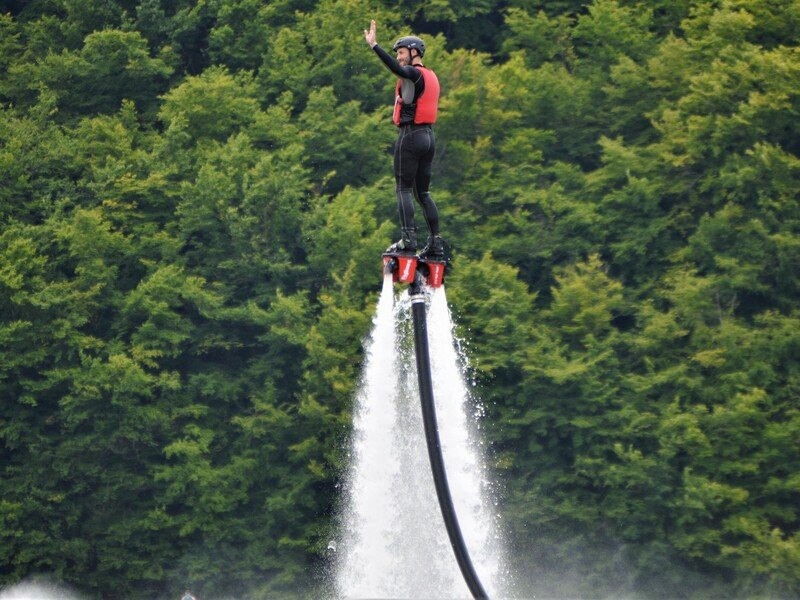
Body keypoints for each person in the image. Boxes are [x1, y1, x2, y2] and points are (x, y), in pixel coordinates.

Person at [364, 20, 445, 260]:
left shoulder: (413, 74)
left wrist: (374, 46)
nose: (398, 57)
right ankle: (435, 243)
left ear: (414, 53)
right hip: (428, 138)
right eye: (397, 54)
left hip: (411, 136)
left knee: (403, 189)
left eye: (401, 53)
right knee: (424, 194)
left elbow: (398, 71)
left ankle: (408, 240)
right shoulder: (431, 76)